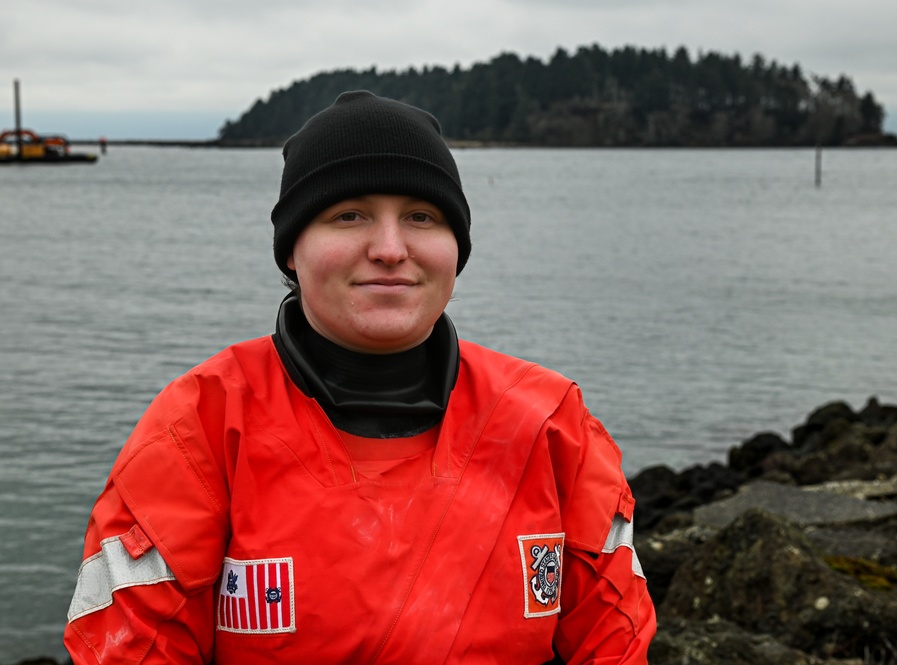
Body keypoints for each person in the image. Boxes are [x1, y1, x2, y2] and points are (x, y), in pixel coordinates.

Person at [64, 90, 656, 664]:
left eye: (421, 216)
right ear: (292, 251)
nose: (391, 248)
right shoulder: (201, 426)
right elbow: (129, 647)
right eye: (349, 215)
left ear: (458, 247)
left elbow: (614, 642)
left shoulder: (551, 424)